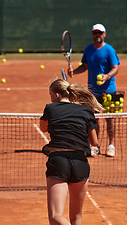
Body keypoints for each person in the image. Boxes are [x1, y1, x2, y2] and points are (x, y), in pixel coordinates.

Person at [40, 79, 103, 225]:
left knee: (56, 216)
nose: (50, 97)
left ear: (56, 95)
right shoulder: (86, 110)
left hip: (59, 161)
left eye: (50, 94)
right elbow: (94, 142)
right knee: (76, 217)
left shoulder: (50, 108)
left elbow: (43, 128)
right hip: (80, 163)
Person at [68, 23, 120, 157]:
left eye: (100, 33)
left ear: (104, 34)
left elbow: (116, 67)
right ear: (92, 34)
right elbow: (84, 66)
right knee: (94, 120)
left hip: (108, 91)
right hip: (92, 92)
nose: (98, 35)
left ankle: (111, 145)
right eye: (95, 33)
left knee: (110, 119)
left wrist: (107, 76)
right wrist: (74, 71)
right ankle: (95, 146)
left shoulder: (109, 50)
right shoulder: (88, 50)